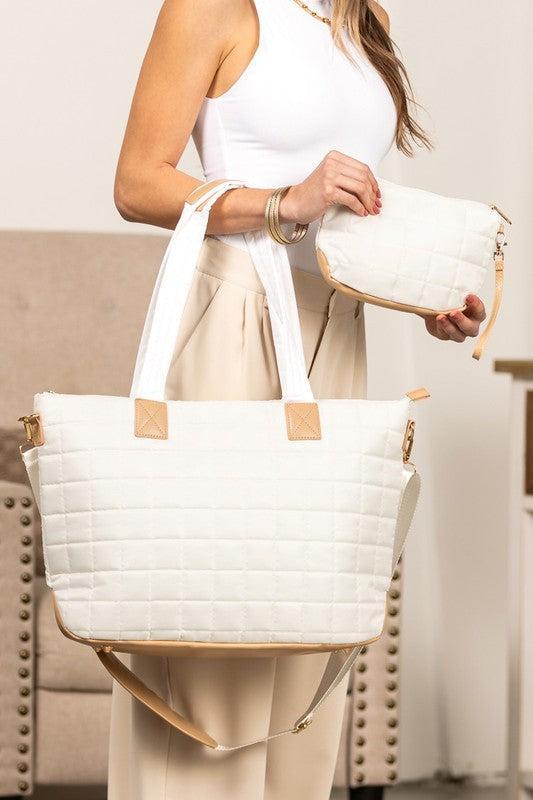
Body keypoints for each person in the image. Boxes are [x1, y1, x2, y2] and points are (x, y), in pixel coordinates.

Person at [109, 2, 486, 798]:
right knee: (216, 611)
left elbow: (341, 215)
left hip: (335, 326)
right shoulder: (213, 7)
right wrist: (283, 200)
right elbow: (138, 183)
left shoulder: (355, 13)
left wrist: (420, 293)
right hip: (234, 310)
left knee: (308, 620)